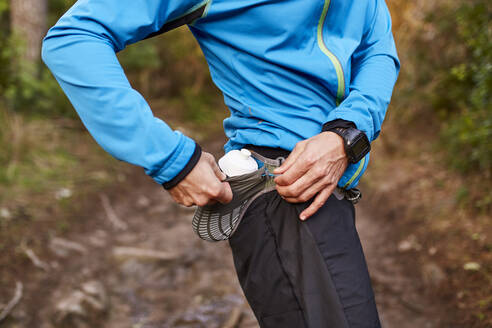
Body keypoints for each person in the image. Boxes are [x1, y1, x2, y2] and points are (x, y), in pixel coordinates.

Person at [42, 0, 399, 327]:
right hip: (280, 194)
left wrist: (347, 133)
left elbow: (377, 48)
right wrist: (171, 158)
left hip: (330, 186)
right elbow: (74, 38)